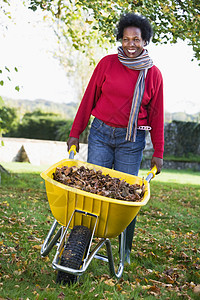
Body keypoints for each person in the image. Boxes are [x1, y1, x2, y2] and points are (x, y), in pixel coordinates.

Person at [67, 12, 164, 263]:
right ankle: (81, 246)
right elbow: (89, 99)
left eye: (137, 39)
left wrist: (159, 153)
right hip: (100, 133)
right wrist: (75, 133)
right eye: (126, 38)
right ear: (120, 39)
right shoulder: (107, 64)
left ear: (145, 42)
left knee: (127, 198)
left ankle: (124, 251)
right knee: (92, 192)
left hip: (131, 142)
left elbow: (156, 116)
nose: (131, 44)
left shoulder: (153, 75)